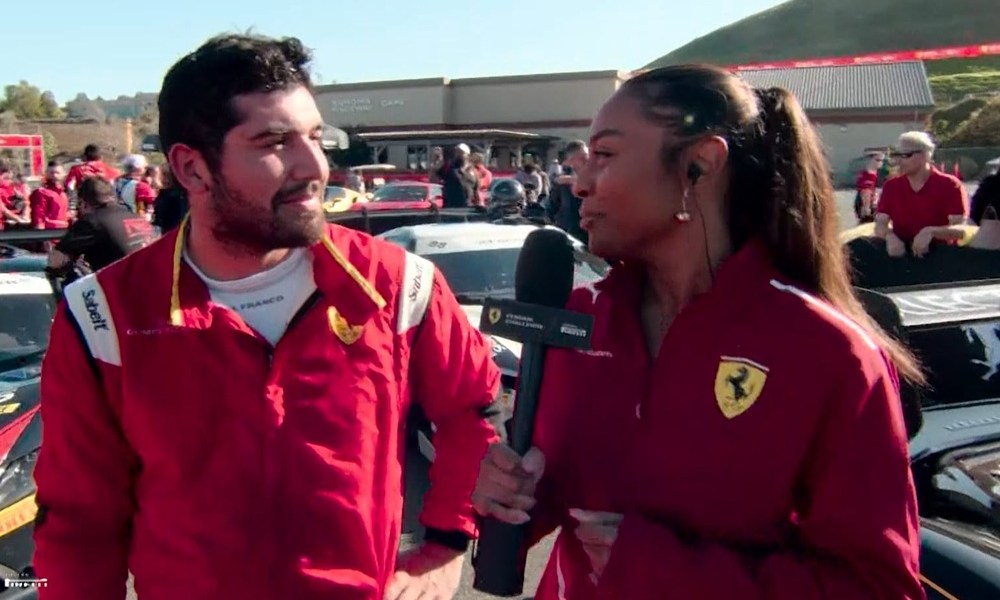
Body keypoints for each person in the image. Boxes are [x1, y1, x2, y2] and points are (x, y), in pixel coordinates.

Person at [34, 33, 501, 600]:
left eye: (314, 137)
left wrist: (447, 545)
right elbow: (78, 524)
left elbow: (473, 412)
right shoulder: (103, 315)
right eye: (275, 142)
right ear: (192, 168)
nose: (314, 166)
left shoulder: (398, 284)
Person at [473, 65, 926, 600]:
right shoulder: (576, 319)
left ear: (699, 166)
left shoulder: (828, 353)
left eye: (607, 155)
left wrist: (665, 573)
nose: (580, 182)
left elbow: (880, 587)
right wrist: (506, 493)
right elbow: (558, 487)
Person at [874, 132, 968, 258]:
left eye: (905, 155)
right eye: (896, 155)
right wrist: (889, 235)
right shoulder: (891, 186)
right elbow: (880, 224)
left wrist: (931, 232)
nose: (898, 161)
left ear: (925, 155)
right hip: (901, 257)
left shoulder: (949, 185)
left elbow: (960, 230)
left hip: (942, 258)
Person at [46, 176, 156, 274]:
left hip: (124, 287)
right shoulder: (134, 216)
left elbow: (55, 262)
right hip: (156, 280)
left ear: (83, 203)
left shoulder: (91, 221)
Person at [547, 140, 590, 244]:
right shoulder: (562, 183)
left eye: (588, 156)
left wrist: (574, 180)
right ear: (571, 161)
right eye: (582, 158)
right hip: (569, 234)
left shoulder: (597, 176)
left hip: (592, 234)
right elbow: (552, 207)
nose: (587, 160)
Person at [29, 161, 70, 230]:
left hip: (63, 232)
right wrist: (41, 236)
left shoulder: (64, 193)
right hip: (49, 233)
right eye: (51, 173)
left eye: (57, 173)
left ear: (63, 174)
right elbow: (38, 216)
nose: (54, 175)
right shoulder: (41, 192)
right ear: (46, 174)